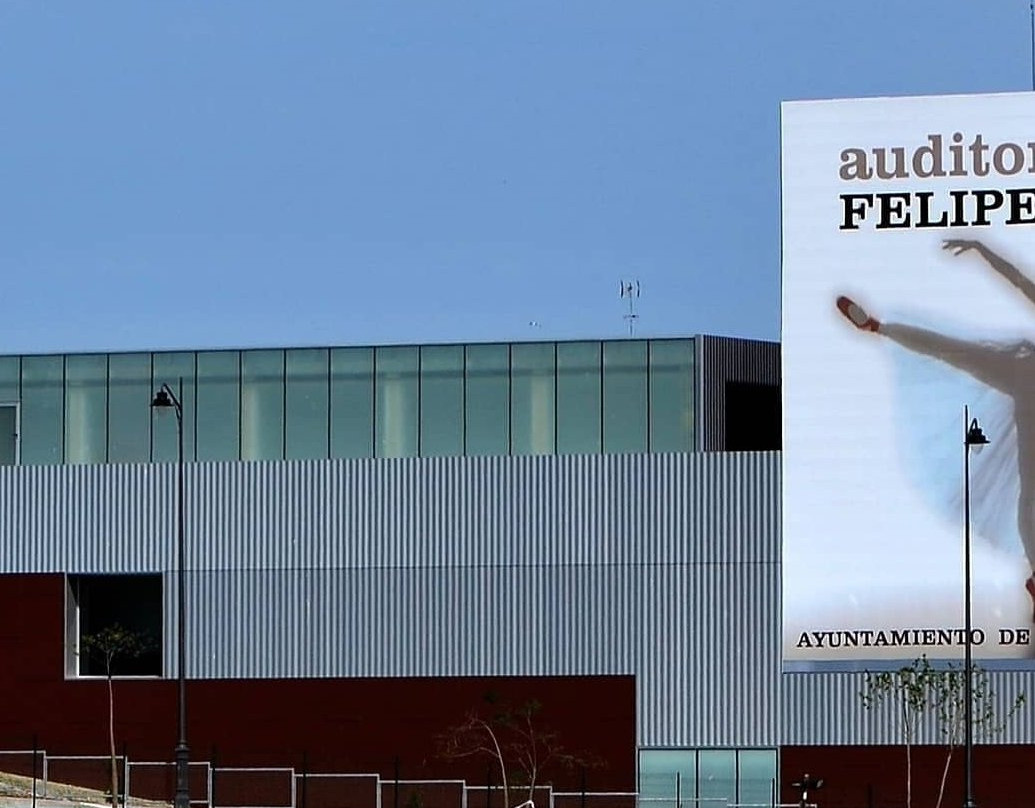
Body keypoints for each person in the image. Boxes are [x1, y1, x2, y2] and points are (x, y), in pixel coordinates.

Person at [836, 238, 1035, 621]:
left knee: (1029, 496)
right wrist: (983, 250)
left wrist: (982, 250)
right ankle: (880, 328)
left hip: (1025, 378)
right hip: (1026, 376)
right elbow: (1019, 281)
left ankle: (880, 328)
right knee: (952, 351)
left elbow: (1019, 282)